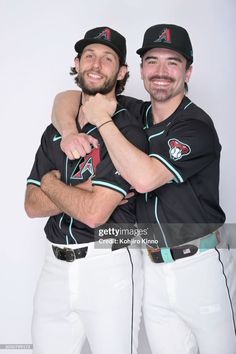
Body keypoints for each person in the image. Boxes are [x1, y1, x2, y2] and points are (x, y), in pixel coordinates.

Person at [51, 24, 236, 354]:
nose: (161, 72)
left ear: (188, 70)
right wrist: (68, 131)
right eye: (152, 61)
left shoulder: (196, 126)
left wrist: (104, 122)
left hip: (201, 265)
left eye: (173, 62)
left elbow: (145, 179)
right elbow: (68, 97)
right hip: (151, 268)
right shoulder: (137, 113)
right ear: (139, 70)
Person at [24, 26, 148, 354]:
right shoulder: (56, 129)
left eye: (108, 58)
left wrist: (50, 183)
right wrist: (80, 189)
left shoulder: (127, 128)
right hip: (53, 266)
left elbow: (94, 213)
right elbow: (31, 205)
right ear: (76, 63)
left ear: (121, 71)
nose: (96, 64)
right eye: (89, 56)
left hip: (108, 264)